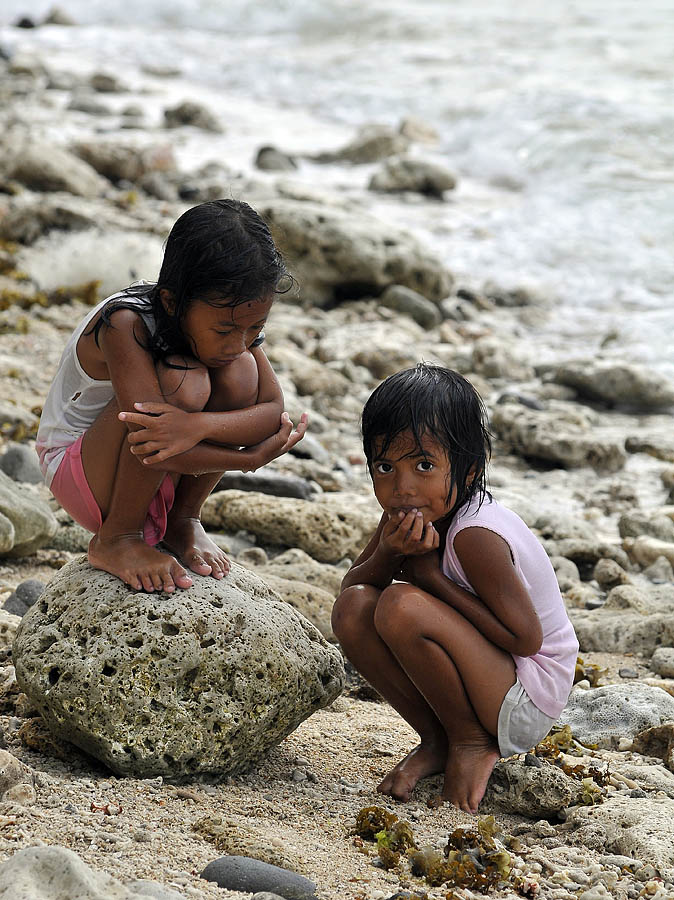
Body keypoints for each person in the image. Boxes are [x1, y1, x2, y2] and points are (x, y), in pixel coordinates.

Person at [332, 364, 578, 814]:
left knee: (401, 606)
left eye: (424, 465)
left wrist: (430, 579)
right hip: (490, 673)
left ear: (469, 471)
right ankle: (438, 739)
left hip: (528, 694)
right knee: (356, 607)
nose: (402, 487)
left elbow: (527, 640)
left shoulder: (475, 534)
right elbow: (351, 592)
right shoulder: (407, 513)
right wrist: (389, 552)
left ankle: (470, 740)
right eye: (385, 466)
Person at [36, 198, 307, 594]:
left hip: (151, 463)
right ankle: (118, 538)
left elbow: (270, 412)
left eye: (254, 329)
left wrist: (196, 425)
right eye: (225, 330)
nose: (239, 342)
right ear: (171, 302)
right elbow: (152, 441)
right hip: (79, 468)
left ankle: (182, 520)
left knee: (241, 373)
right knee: (186, 383)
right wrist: (245, 458)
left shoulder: (235, 327)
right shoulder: (125, 323)